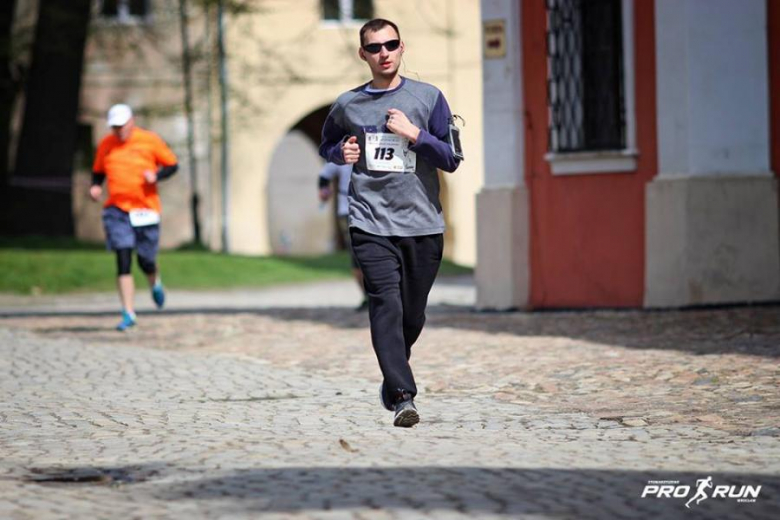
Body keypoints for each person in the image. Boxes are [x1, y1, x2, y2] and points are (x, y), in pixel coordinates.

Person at [319, 19, 462, 427]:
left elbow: (450, 159)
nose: (383, 52)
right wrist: (339, 151)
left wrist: (415, 133)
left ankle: (393, 369)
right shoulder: (348, 104)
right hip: (369, 221)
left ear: (402, 48)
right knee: (385, 305)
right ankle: (403, 395)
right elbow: (328, 142)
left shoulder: (429, 97)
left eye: (390, 44)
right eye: (374, 47)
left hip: (422, 224)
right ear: (362, 54)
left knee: (411, 317)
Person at [89, 104, 179, 331]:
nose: (119, 131)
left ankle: (154, 282)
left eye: (122, 126)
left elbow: (172, 165)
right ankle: (128, 312)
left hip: (145, 209)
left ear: (132, 121)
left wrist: (156, 175)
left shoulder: (150, 140)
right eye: (115, 127)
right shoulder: (106, 145)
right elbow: (98, 171)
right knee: (123, 257)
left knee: (145, 260)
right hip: (117, 210)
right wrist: (95, 187)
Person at [317, 162, 368, 311]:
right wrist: (323, 190)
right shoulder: (344, 151)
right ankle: (366, 295)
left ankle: (379, 293)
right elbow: (324, 175)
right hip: (347, 209)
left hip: (373, 208)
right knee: (356, 255)